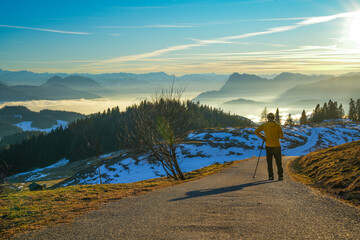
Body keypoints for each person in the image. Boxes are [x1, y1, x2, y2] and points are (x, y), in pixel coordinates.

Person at [254, 112, 284, 181]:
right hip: (277, 146)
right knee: (278, 162)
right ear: (273, 118)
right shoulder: (278, 125)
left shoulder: (265, 125)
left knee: (269, 162)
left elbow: (256, 131)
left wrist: (262, 137)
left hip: (268, 146)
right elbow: (281, 136)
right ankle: (280, 176)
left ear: (267, 118)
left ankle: (271, 176)